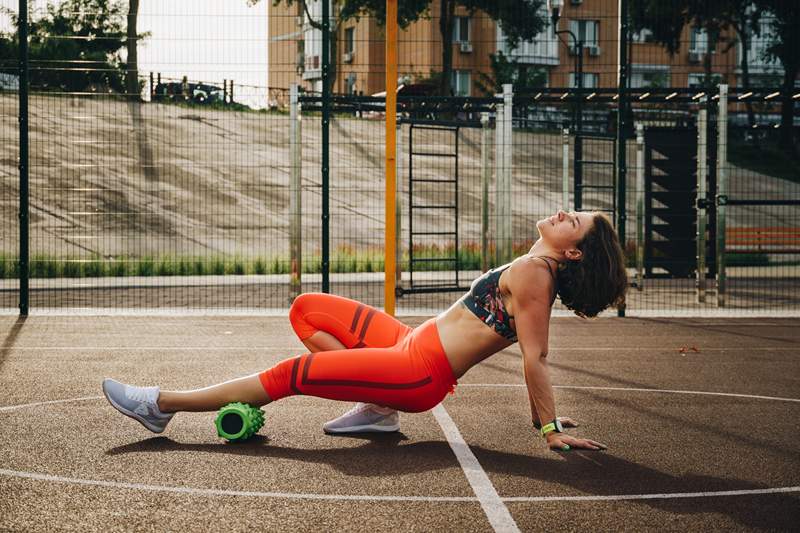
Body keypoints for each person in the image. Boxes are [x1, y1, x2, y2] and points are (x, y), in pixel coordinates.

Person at [103, 210, 627, 451]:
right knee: (308, 309)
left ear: (574, 250)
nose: (565, 212)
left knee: (292, 373)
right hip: (406, 342)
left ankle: (160, 405)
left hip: (417, 371)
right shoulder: (535, 268)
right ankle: (376, 408)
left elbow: (536, 357)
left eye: (576, 220)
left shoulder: (538, 275)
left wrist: (549, 428)